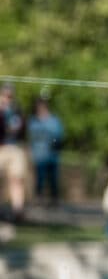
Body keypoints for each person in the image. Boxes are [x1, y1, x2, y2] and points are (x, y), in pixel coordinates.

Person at [28, 95, 64, 205]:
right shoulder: (33, 120)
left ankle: (54, 199)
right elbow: (31, 136)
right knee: (40, 178)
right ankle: (39, 198)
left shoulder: (54, 120)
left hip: (52, 155)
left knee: (53, 179)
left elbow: (58, 136)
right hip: (39, 155)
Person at [0, 84, 27, 221]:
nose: (7, 98)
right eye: (5, 95)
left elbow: (19, 128)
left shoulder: (16, 110)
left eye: (9, 96)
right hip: (1, 147)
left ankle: (18, 211)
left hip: (14, 147)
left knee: (16, 179)